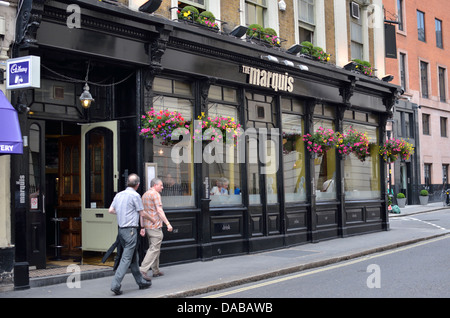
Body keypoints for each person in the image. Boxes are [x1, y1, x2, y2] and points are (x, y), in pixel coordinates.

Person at [108, 173, 152, 295]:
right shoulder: (135, 195)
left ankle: (141, 282)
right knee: (126, 258)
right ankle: (115, 285)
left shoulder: (119, 195)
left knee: (133, 257)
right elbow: (142, 213)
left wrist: (122, 213)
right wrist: (153, 219)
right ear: (137, 185)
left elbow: (111, 210)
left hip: (121, 230)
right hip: (131, 230)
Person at [139, 178, 173, 279]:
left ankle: (155, 270)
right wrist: (168, 223)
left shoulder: (145, 195)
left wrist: (142, 227)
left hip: (148, 226)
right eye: (161, 185)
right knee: (154, 249)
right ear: (155, 185)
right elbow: (160, 211)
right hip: (155, 226)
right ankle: (143, 269)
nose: (162, 187)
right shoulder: (156, 194)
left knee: (155, 248)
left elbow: (141, 212)